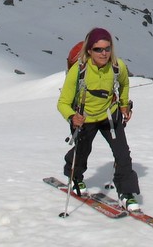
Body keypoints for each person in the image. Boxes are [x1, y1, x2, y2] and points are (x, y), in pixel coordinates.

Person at [57, 27, 141, 211]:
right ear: (89, 50)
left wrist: (124, 104)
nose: (104, 53)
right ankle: (75, 176)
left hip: (109, 115)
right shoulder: (79, 70)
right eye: (98, 49)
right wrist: (72, 116)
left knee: (122, 153)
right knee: (82, 151)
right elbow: (63, 102)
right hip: (84, 118)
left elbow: (124, 83)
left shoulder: (118, 67)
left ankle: (126, 193)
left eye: (107, 48)